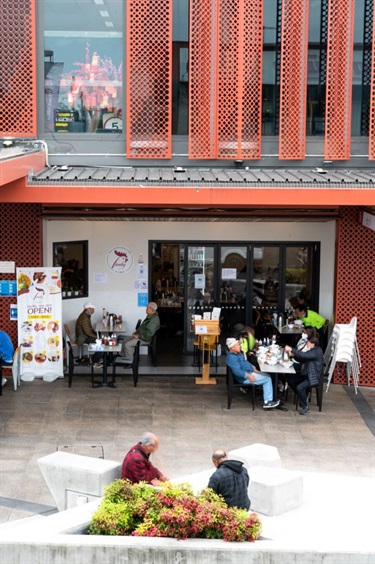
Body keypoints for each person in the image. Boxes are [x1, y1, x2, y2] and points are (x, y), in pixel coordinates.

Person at [226, 338, 280, 409]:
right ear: (232, 347)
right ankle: (267, 402)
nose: (240, 346)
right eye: (238, 345)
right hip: (245, 378)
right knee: (267, 379)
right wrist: (248, 376)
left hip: (249, 372)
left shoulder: (237, 354)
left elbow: (245, 363)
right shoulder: (232, 358)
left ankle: (267, 394)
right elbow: (237, 371)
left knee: (268, 375)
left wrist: (253, 368)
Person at [285, 335, 324, 415]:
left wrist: (291, 349)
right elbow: (303, 358)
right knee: (290, 379)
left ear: (313, 344)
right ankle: (303, 396)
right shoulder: (313, 350)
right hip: (307, 374)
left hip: (313, 377)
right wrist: (294, 355)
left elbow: (304, 355)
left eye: (308, 342)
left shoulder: (316, 351)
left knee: (299, 387)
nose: (307, 343)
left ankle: (305, 407)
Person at [75, 302, 102, 367]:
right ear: (88, 309)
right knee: (100, 342)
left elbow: (89, 328)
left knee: (100, 337)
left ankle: (96, 358)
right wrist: (97, 337)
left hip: (84, 336)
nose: (94, 310)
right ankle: (95, 361)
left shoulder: (86, 315)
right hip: (82, 338)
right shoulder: (84, 318)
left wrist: (96, 334)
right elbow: (87, 332)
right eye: (93, 309)